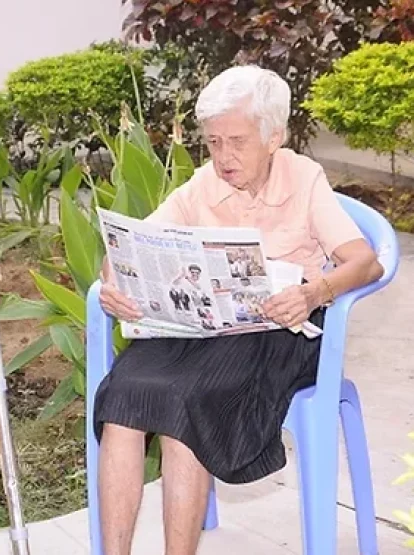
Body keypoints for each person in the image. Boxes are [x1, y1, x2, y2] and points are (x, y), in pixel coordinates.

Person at [94, 65, 384, 555]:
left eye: (236, 141)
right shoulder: (204, 183)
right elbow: (130, 246)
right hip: (200, 329)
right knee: (123, 395)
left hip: (278, 331)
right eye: (213, 143)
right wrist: (114, 281)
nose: (223, 157)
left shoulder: (305, 179)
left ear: (275, 137)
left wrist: (316, 292)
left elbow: (366, 262)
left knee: (187, 402)